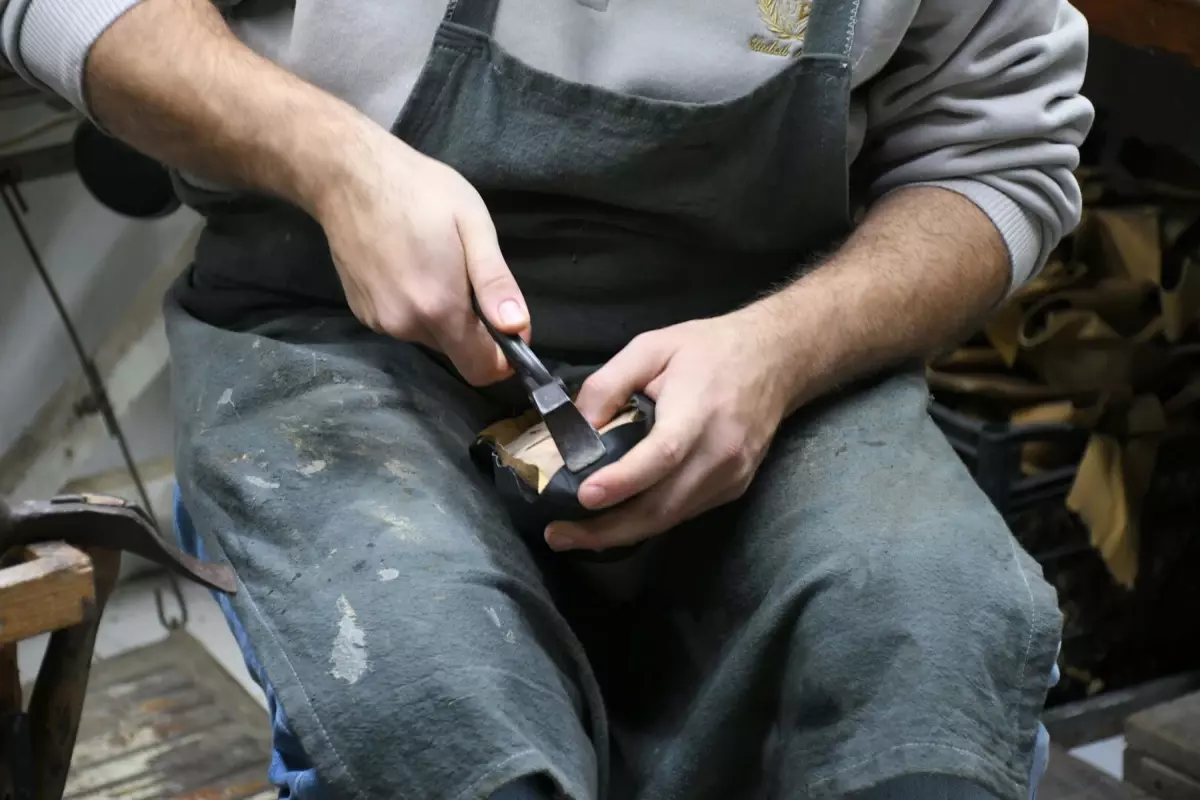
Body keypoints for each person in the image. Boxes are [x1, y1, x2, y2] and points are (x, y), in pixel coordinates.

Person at [1, 0, 1092, 795]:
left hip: (773, 351)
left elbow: (1001, 149)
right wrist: (334, 161)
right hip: (334, 339)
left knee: (932, 636)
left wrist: (786, 345)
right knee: (424, 694)